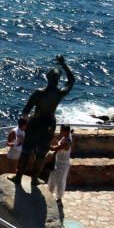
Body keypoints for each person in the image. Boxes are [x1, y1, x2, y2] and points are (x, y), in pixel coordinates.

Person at [13, 55, 75, 187]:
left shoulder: (38, 93)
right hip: (49, 126)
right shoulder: (59, 93)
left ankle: (18, 177)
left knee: (26, 152)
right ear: (58, 80)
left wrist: (28, 120)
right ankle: (34, 179)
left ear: (47, 78)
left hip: (35, 124)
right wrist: (64, 65)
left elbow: (25, 111)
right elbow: (71, 81)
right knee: (41, 155)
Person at [46, 125, 73, 204]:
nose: (60, 132)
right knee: (53, 178)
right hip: (58, 161)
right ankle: (50, 194)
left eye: (62, 131)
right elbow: (58, 146)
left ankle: (59, 199)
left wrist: (46, 145)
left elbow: (55, 149)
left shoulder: (67, 142)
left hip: (63, 164)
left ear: (66, 131)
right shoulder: (65, 137)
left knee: (60, 181)